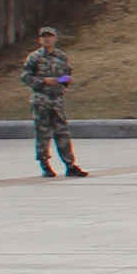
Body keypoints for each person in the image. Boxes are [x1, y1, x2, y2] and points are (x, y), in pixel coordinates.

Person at [22, 26, 83, 177]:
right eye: (44, 37)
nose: (47, 39)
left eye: (49, 36)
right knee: (43, 133)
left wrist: (64, 80)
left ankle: (70, 164)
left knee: (62, 132)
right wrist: (43, 81)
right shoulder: (34, 57)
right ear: (40, 39)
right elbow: (26, 77)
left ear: (55, 38)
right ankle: (45, 164)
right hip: (41, 100)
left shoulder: (61, 56)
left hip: (57, 100)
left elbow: (67, 75)